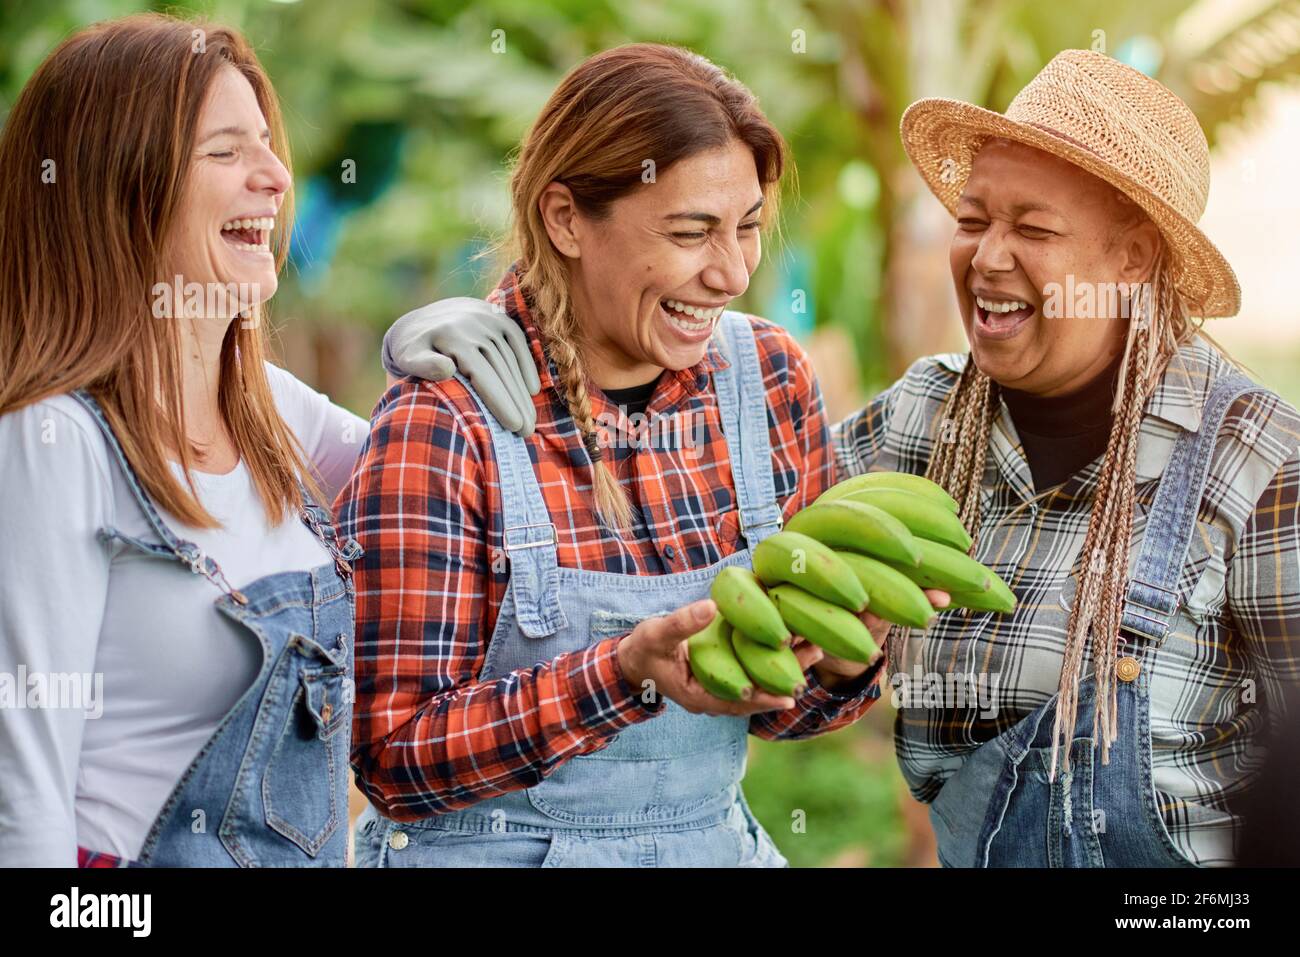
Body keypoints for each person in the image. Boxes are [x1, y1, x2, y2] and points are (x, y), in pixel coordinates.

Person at [395, 50, 1299, 867]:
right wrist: (495, 320)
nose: (988, 257)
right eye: (974, 218)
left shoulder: (1258, 468)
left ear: (1134, 257)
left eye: (1034, 229)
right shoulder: (918, 422)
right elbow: (779, 644)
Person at [336, 43, 943, 868]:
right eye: (692, 232)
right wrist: (623, 675)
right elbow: (390, 757)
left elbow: (778, 714)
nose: (730, 272)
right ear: (566, 219)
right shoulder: (445, 418)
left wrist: (841, 660)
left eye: (749, 229)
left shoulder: (767, 379)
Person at [0, 14, 371, 867]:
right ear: (116, 185)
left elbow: (446, 482)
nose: (276, 177)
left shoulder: (271, 412)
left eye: (269, 147)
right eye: (227, 152)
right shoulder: (54, 440)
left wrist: (457, 340)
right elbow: (25, 804)